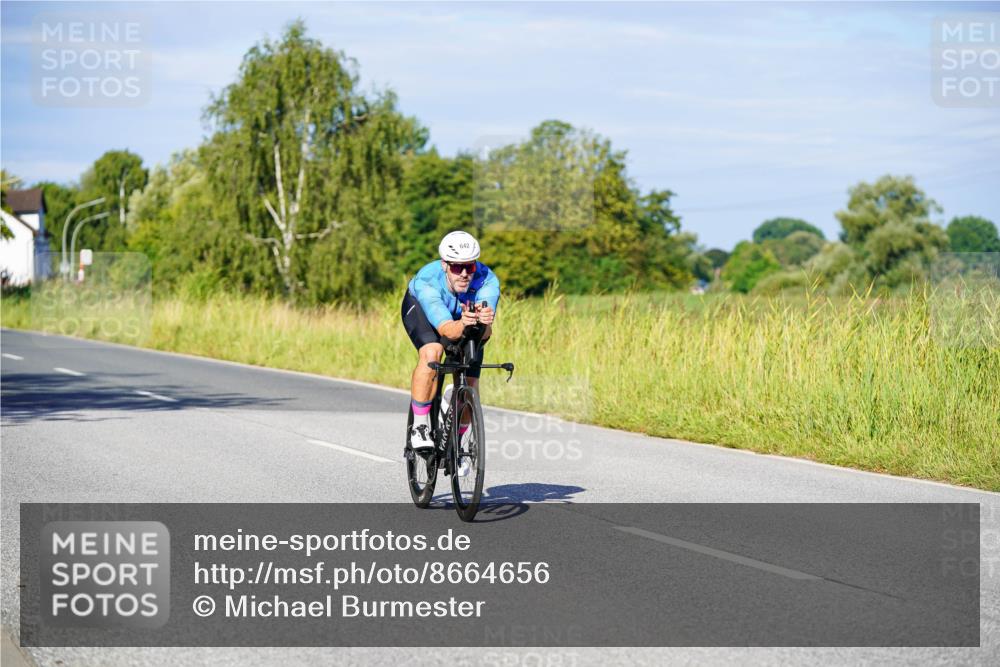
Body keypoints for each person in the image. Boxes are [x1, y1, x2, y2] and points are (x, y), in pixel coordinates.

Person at [401, 230, 500, 459]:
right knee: (432, 352)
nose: (464, 273)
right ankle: (420, 425)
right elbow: (446, 331)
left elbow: (486, 333)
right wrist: (464, 323)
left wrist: (484, 324)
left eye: (469, 266)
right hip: (425, 313)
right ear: (445, 265)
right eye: (457, 267)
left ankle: (457, 442)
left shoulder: (488, 280)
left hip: (462, 319)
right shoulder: (428, 281)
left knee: (470, 383)